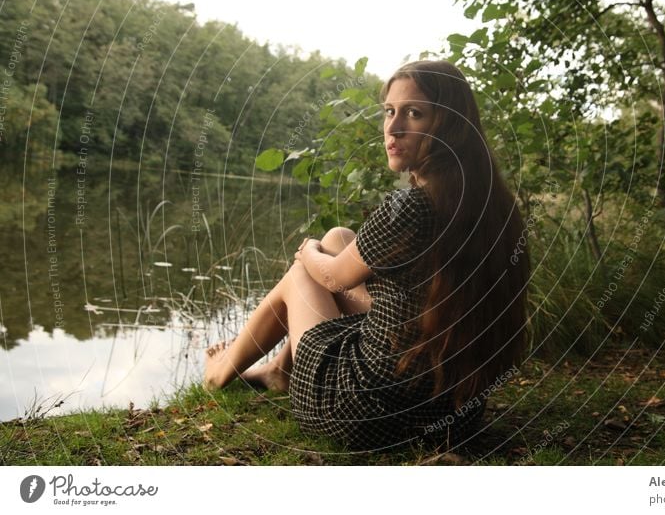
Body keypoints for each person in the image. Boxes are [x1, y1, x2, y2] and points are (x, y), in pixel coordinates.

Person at [204, 60, 531, 451]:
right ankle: (277, 369)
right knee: (340, 237)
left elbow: (331, 278)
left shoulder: (412, 207)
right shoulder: (493, 203)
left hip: (366, 411)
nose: (392, 129)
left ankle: (219, 374)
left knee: (301, 275)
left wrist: (307, 250)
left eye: (414, 113)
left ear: (449, 124)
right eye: (389, 112)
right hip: (449, 415)